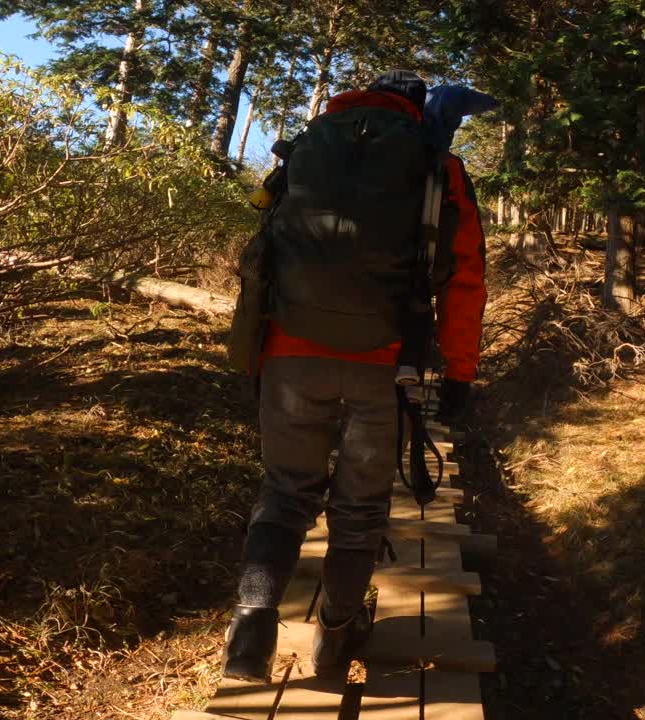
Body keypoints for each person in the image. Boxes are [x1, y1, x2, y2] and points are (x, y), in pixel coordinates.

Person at [222, 70, 491, 683]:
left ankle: (250, 637)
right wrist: (459, 374)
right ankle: (336, 640)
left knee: (286, 494)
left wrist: (254, 351)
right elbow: (464, 278)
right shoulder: (435, 164)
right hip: (384, 362)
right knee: (361, 509)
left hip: (289, 351)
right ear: (417, 107)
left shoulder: (307, 145)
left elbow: (265, 251)